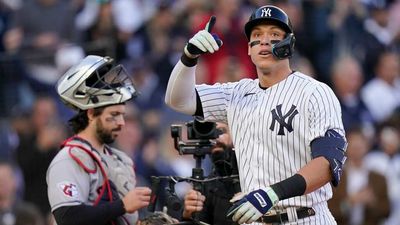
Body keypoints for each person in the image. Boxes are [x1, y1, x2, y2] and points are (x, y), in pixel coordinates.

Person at [165, 5, 347, 225]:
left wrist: (272, 194)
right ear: (249, 48)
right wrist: (188, 57)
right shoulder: (235, 93)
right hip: (255, 219)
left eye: (274, 34)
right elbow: (178, 99)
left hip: (305, 217)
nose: (264, 40)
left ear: (289, 44)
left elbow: (328, 162)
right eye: (257, 35)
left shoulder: (315, 92)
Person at [46, 55, 151, 225]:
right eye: (114, 115)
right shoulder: (68, 159)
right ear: (91, 113)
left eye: (122, 115)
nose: (121, 123)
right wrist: (122, 205)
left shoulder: (122, 159)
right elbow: (67, 218)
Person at [182, 122, 240, 225]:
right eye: (210, 133)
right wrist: (188, 216)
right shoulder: (207, 185)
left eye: (220, 131)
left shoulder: (257, 174)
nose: (215, 139)